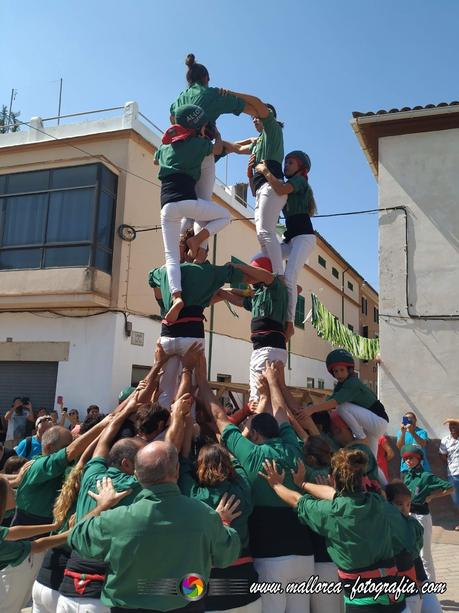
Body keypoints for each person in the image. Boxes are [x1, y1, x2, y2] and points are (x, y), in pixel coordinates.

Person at [196, 356, 314, 613]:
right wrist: (273, 382)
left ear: (257, 434)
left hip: (270, 555)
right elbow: (281, 413)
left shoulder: (251, 454)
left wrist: (202, 380)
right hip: (305, 554)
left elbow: (218, 415)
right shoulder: (293, 447)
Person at [68, 440, 241, 612]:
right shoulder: (205, 515)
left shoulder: (116, 519)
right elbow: (226, 556)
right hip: (187, 605)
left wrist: (102, 506)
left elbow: (77, 536)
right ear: (177, 470)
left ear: (137, 474)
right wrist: (223, 523)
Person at [261, 448, 406, 612]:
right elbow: (336, 495)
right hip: (396, 600)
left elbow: (296, 500)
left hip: (363, 605)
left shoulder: (331, 513)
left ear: (332, 479)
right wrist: (303, 483)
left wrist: (275, 484)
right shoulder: (376, 501)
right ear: (361, 479)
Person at [1, 415, 112, 609]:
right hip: (21, 557)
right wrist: (105, 425)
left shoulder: (48, 468)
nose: (72, 451)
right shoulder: (38, 466)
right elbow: (35, 543)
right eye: (67, 446)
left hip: (32, 554)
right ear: (50, 448)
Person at [56, 400, 145, 613]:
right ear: (126, 464)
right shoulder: (131, 486)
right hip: (100, 594)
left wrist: (125, 410)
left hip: (68, 590)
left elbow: (103, 442)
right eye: (142, 460)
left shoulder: (92, 474)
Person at [155, 104, 233, 322]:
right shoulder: (199, 144)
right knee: (225, 216)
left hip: (167, 206)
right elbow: (217, 149)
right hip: (189, 202)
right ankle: (197, 239)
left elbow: (155, 159)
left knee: (170, 257)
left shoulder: (165, 147)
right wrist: (216, 135)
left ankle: (176, 296)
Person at [148, 258, 247, 408]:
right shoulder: (201, 279)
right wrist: (246, 291)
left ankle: (160, 421)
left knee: (164, 389)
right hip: (192, 333)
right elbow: (224, 293)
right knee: (191, 385)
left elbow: (151, 279)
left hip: (167, 335)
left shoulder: (163, 274)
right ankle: (186, 421)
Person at [179, 442, 261, 613]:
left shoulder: (196, 497)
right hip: (247, 581)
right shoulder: (243, 491)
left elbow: (184, 472)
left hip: (213, 588)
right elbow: (239, 469)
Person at [170, 53, 261, 207]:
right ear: (205, 78)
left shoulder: (179, 98)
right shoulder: (212, 94)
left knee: (186, 201)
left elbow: (172, 119)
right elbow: (250, 108)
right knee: (203, 202)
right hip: (202, 151)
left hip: (178, 154)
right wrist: (265, 116)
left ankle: (186, 229)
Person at [255, 151, 316, 340]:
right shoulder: (285, 182)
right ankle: (271, 289)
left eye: (290, 162)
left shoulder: (299, 181)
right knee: (260, 257)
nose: (286, 165)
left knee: (289, 276)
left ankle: (289, 324)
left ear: (301, 168)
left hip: (304, 238)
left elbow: (281, 190)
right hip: (290, 239)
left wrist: (265, 171)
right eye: (285, 162)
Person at [218, 257, 288, 404]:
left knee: (258, 397)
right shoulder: (258, 295)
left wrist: (238, 266)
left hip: (268, 348)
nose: (248, 280)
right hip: (263, 349)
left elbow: (266, 276)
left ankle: (260, 423)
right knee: (267, 396)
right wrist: (222, 292)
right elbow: (239, 301)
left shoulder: (275, 287)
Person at [303, 349, 389, 459]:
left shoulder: (352, 383)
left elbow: (334, 402)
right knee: (371, 461)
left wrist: (311, 409)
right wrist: (312, 407)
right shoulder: (341, 385)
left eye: (342, 370)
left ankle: (360, 437)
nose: (338, 374)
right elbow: (329, 401)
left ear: (349, 369)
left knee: (341, 406)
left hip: (377, 421)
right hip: (371, 425)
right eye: (335, 371)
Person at [402, 443, 452, 581]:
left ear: (419, 459)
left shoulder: (426, 476)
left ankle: (431, 587)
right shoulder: (407, 476)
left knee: (425, 554)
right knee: (412, 552)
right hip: (408, 516)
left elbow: (450, 488)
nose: (408, 461)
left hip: (421, 517)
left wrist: (432, 496)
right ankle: (417, 584)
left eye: (411, 458)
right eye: (406, 458)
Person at [439, 417, 459, 531]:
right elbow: (442, 455)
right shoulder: (445, 440)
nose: (452, 428)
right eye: (450, 426)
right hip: (453, 474)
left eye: (454, 425)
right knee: (456, 500)